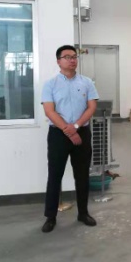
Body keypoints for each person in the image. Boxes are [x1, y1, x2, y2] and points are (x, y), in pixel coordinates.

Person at [40, 45, 99, 233]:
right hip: (58, 134)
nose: (72, 60)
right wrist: (69, 131)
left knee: (82, 175)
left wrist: (76, 127)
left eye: (74, 56)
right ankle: (50, 217)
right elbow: (49, 111)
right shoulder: (50, 84)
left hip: (82, 132)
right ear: (59, 61)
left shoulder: (87, 82)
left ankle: (83, 213)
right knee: (55, 175)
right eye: (67, 57)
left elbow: (91, 107)